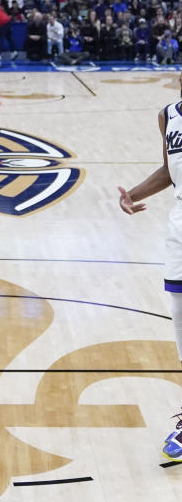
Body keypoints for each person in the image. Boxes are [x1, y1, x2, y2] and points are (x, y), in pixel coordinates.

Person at [117, 76, 182, 463]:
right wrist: (134, 194)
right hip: (180, 223)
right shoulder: (168, 115)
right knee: (181, 323)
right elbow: (170, 169)